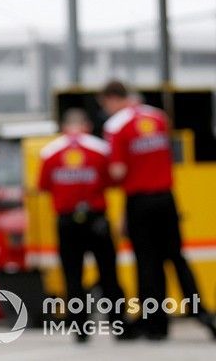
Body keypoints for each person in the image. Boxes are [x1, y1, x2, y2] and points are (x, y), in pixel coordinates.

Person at [101, 80, 216, 340]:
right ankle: (202, 312)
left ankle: (155, 323)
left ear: (110, 99)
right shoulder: (158, 117)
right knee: (176, 257)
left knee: (148, 263)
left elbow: (117, 171)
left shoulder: (116, 126)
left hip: (139, 202)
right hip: (166, 197)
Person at [37, 108, 131, 342]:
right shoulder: (100, 148)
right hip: (96, 219)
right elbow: (111, 181)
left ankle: (80, 329)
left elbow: (44, 185)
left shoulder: (50, 151)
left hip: (67, 221)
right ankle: (119, 325)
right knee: (109, 274)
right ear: (87, 125)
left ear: (63, 126)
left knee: (72, 275)